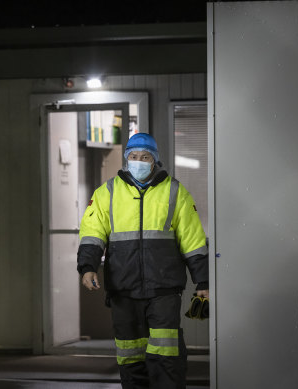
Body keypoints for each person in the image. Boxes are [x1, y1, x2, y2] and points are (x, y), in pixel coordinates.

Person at [77, 133, 209, 389]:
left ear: (154, 160)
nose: (139, 162)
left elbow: (193, 240)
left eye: (145, 157)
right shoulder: (107, 193)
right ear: (127, 159)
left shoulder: (175, 191)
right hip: (123, 289)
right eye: (134, 156)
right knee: (130, 358)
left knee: (166, 356)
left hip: (164, 290)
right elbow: (92, 233)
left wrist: (202, 281)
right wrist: (87, 267)